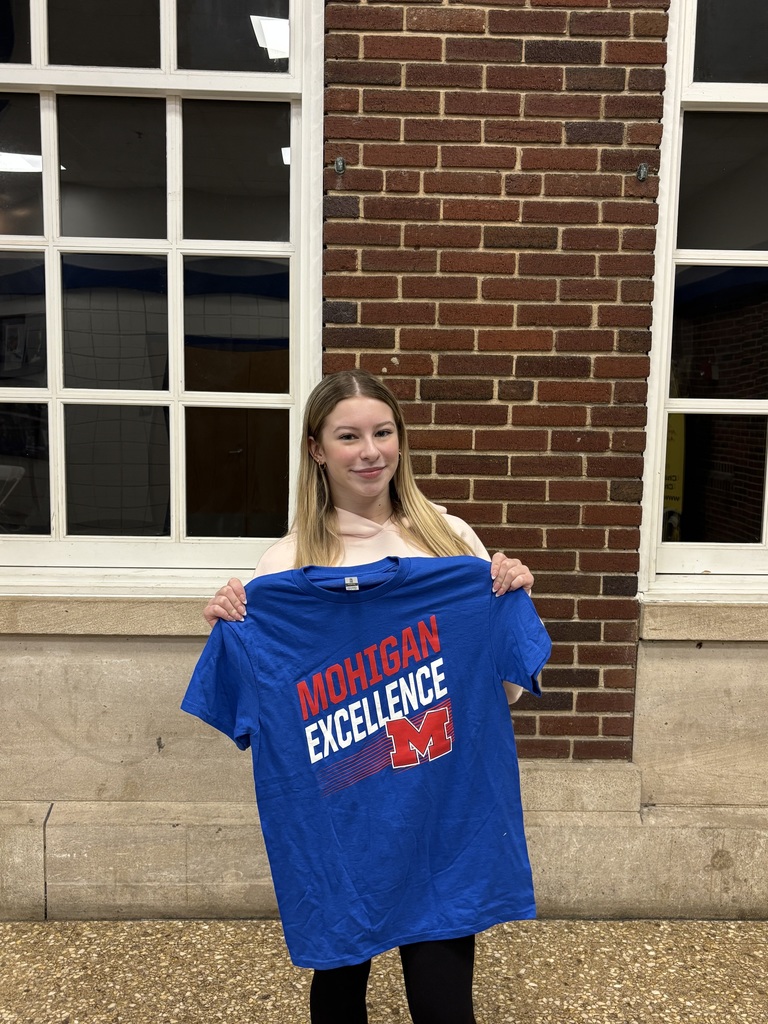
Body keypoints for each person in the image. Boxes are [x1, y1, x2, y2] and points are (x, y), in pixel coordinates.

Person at [192, 369, 544, 1024]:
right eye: (349, 435)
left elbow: (499, 695)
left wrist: (507, 599)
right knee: (338, 1000)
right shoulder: (285, 567)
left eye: (383, 432)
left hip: (439, 822)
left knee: (445, 1007)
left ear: (401, 441)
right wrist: (233, 627)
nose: (370, 451)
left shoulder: (451, 541)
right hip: (339, 835)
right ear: (317, 449)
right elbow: (258, 710)